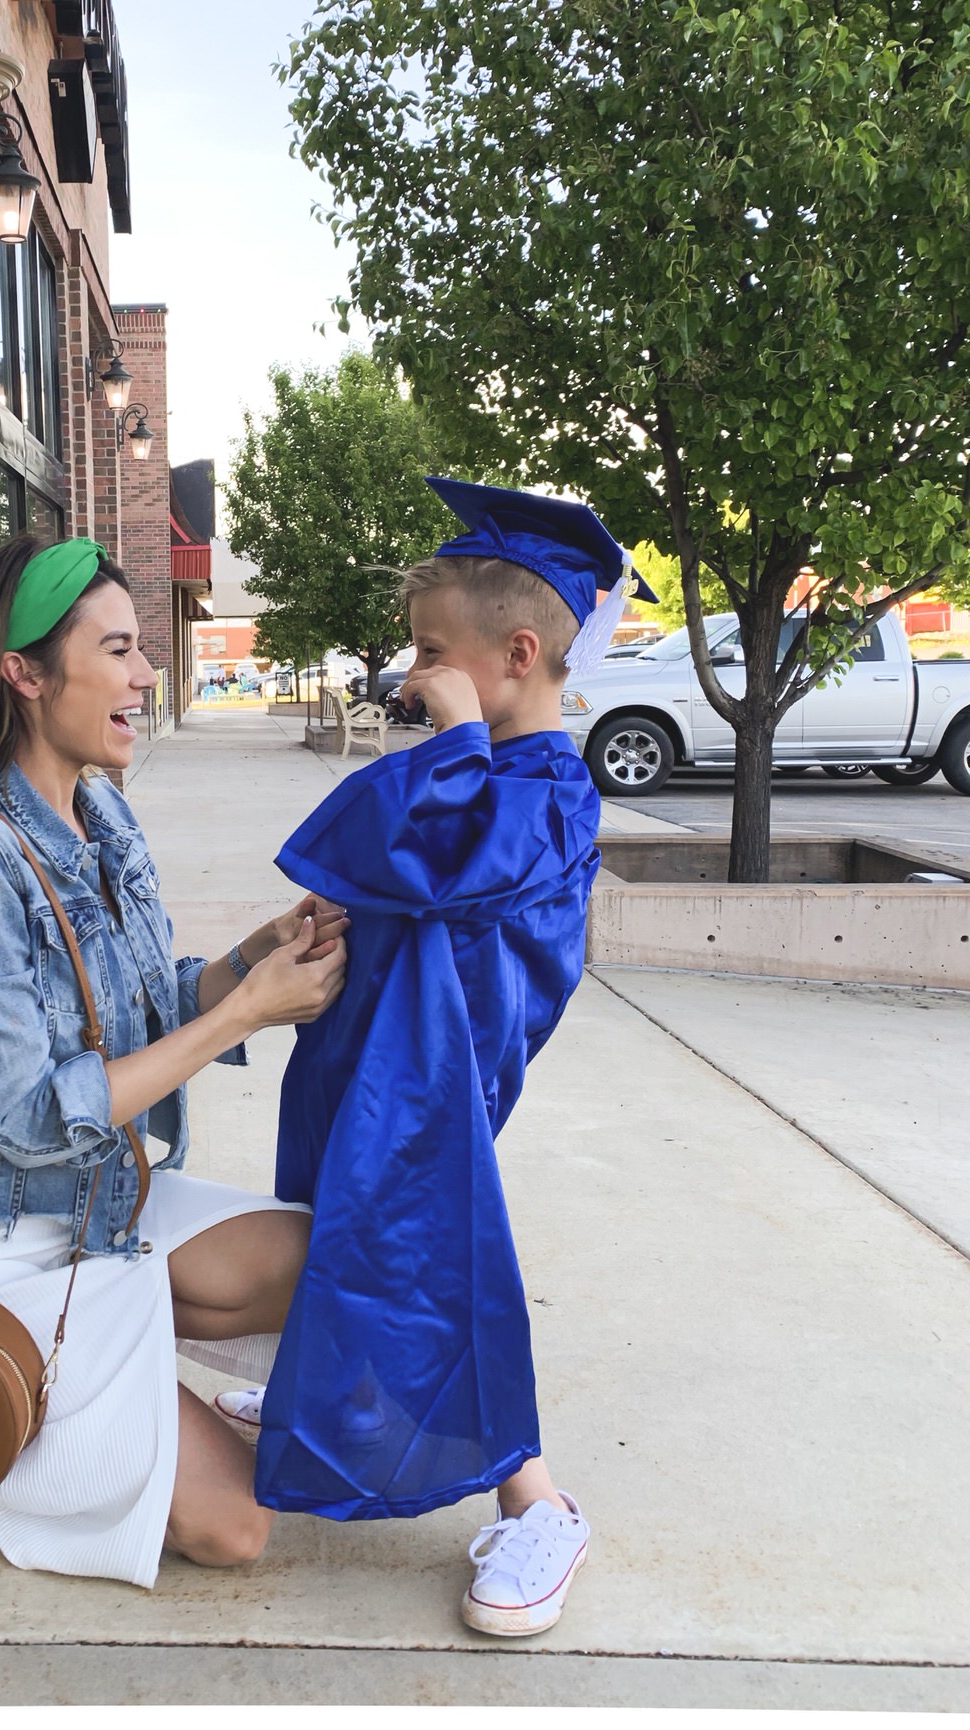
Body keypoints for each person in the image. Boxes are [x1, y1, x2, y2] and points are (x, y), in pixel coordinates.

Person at [0, 534, 348, 1586]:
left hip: (97, 1203)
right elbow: (25, 1117)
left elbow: (138, 1009)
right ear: (25, 673)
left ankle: (111, 1356)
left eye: (141, 647)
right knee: (235, 1529)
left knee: (337, 1261)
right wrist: (244, 1015)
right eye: (118, 649)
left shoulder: (100, 812)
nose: (146, 675)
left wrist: (257, 957)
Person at [211, 479, 656, 1638]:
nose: (410, 672)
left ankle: (536, 1500)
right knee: (335, 1221)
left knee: (427, 1255)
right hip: (370, 1049)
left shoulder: (550, 789)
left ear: (518, 654)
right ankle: (325, 1387)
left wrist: (456, 736)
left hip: (434, 1077)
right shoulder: (481, 763)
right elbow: (378, 849)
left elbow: (450, 862)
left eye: (429, 651)